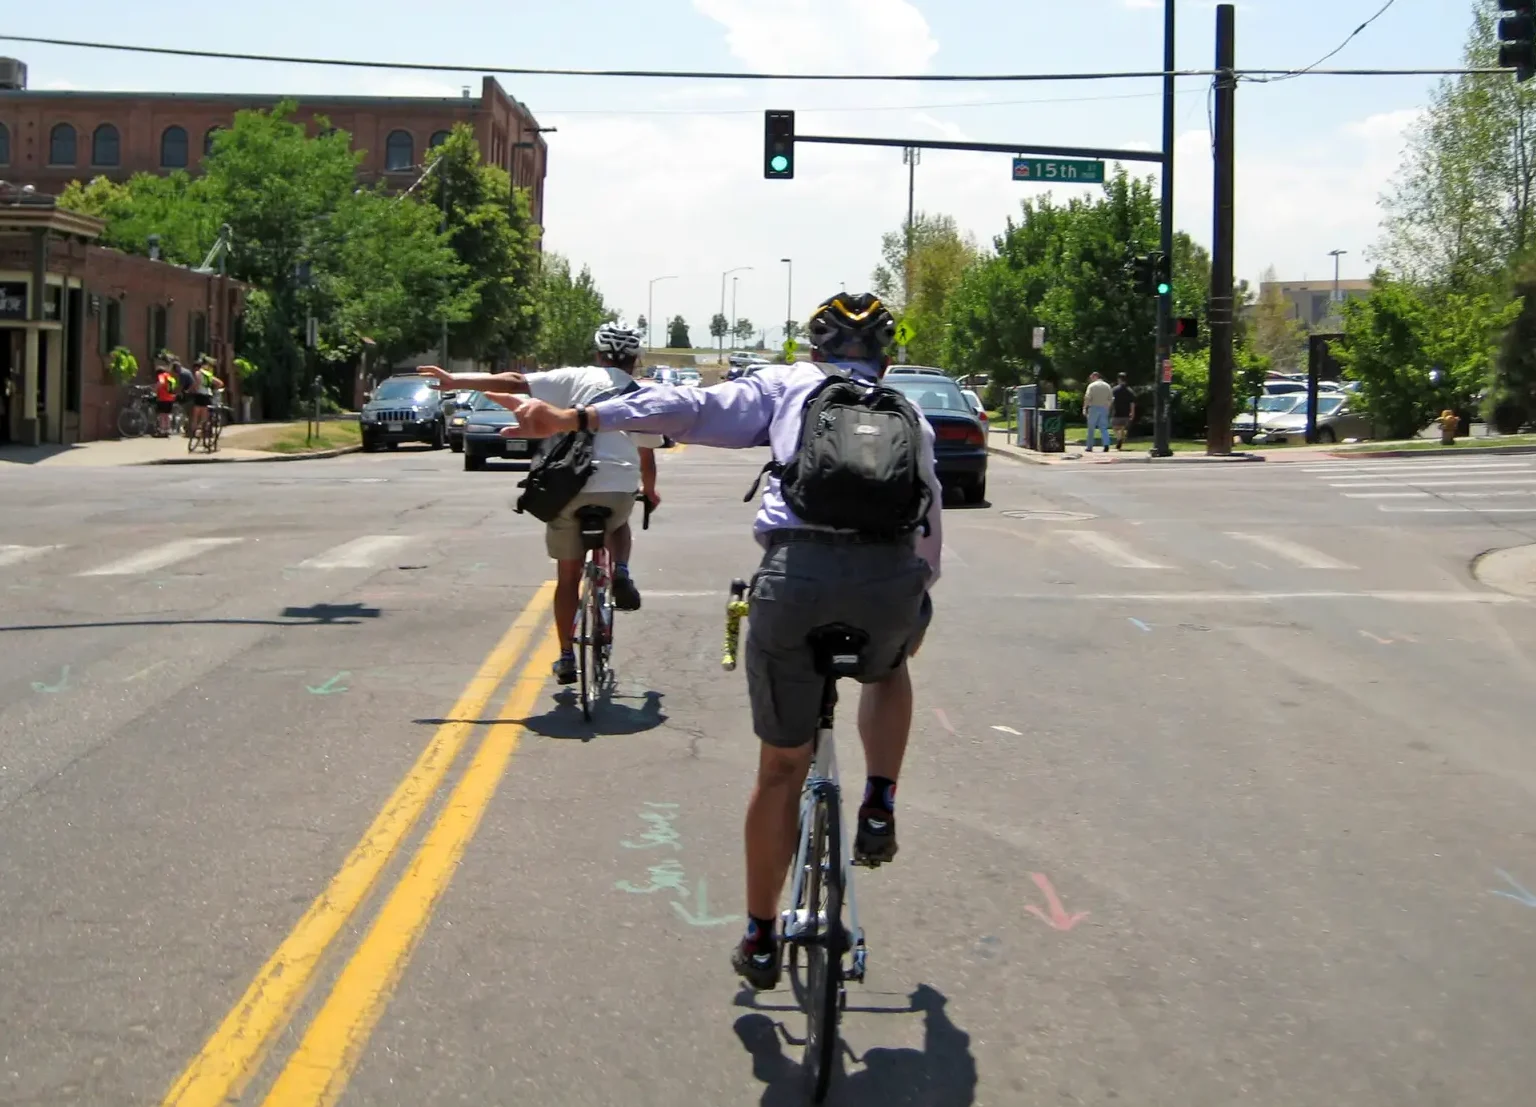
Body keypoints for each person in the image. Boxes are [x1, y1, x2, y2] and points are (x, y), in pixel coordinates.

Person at [489, 293, 943, 992]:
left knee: (780, 772)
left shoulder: (788, 385)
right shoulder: (908, 413)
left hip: (796, 581)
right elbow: (929, 531)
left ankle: (761, 937)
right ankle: (880, 797)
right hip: (887, 580)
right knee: (890, 667)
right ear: (885, 355)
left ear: (815, 348)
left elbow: (685, 410)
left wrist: (579, 416)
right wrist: (912, 598)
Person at [420, 323, 662, 685]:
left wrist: (455, 380)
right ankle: (622, 570)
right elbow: (647, 458)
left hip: (570, 484)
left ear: (597, 354)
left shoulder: (575, 378)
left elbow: (514, 382)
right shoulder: (640, 396)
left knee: (568, 578)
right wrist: (651, 491)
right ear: (635, 359)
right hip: (618, 484)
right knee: (619, 518)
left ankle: (566, 656)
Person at [1083, 371, 1114, 452]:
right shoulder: (1107, 386)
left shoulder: (1092, 386)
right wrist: (1108, 407)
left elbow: (1087, 397)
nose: (1090, 379)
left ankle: (1089, 446)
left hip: (1093, 407)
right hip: (1104, 408)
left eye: (1091, 378)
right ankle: (1106, 444)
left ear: (1094, 377)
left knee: (1091, 428)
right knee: (1104, 428)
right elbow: (1111, 398)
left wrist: (1084, 407)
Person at [1110, 372, 1136, 451]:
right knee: (1123, 428)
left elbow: (1111, 400)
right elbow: (1132, 403)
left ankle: (1119, 438)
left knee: (1114, 427)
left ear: (1119, 379)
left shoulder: (1114, 389)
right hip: (1126, 412)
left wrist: (1109, 408)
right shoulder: (1129, 391)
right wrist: (1132, 412)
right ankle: (1120, 438)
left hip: (1116, 411)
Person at [154, 358, 179, 437]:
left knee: (162, 415)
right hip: (170, 398)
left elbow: (161, 383)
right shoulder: (168, 376)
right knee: (167, 414)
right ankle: (168, 429)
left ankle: (162, 430)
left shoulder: (161, 376)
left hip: (163, 398)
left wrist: (155, 389)